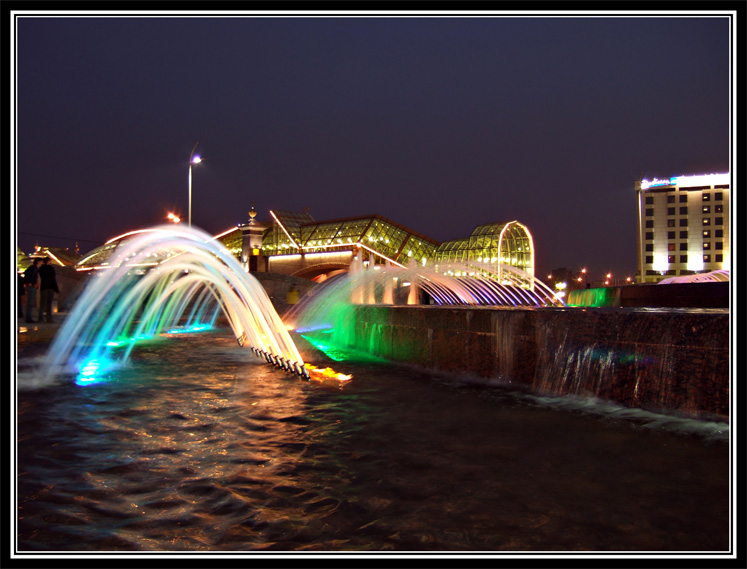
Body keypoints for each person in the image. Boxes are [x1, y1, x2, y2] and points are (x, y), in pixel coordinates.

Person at [38, 257, 60, 323]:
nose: (51, 262)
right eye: (50, 261)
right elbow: (53, 279)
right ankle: (49, 318)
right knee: (49, 303)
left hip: (43, 287)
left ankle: (40, 318)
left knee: (42, 303)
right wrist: (57, 289)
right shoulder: (51, 269)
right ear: (48, 261)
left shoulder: (41, 269)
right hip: (50, 287)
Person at [23, 257, 41, 323]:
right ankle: (28, 318)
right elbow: (30, 275)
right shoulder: (34, 268)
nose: (42, 263)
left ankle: (28, 317)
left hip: (32, 285)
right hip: (31, 286)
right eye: (41, 262)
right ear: (38, 262)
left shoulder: (34, 268)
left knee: (30, 302)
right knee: (30, 302)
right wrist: (30, 282)